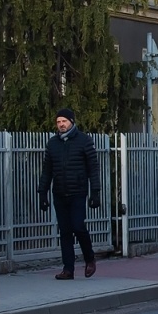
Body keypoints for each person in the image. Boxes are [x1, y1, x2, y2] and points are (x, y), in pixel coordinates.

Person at [38, 106, 99, 280]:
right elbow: (47, 170)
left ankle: (90, 259)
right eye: (58, 122)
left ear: (71, 122)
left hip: (78, 192)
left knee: (78, 226)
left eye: (64, 121)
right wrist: (43, 193)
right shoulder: (53, 143)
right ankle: (68, 269)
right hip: (59, 192)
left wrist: (95, 192)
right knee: (65, 231)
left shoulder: (84, 141)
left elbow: (93, 168)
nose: (61, 124)